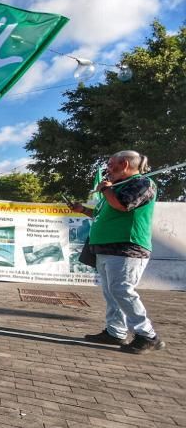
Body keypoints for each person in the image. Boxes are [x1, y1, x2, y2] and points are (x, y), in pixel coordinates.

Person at [68, 150, 164, 354]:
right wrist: (82, 209)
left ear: (126, 164)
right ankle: (116, 332)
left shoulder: (142, 184)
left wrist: (106, 190)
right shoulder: (114, 188)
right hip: (106, 247)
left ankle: (147, 335)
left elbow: (122, 205)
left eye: (111, 165)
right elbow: (102, 212)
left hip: (127, 247)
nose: (107, 170)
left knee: (122, 290)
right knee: (111, 292)